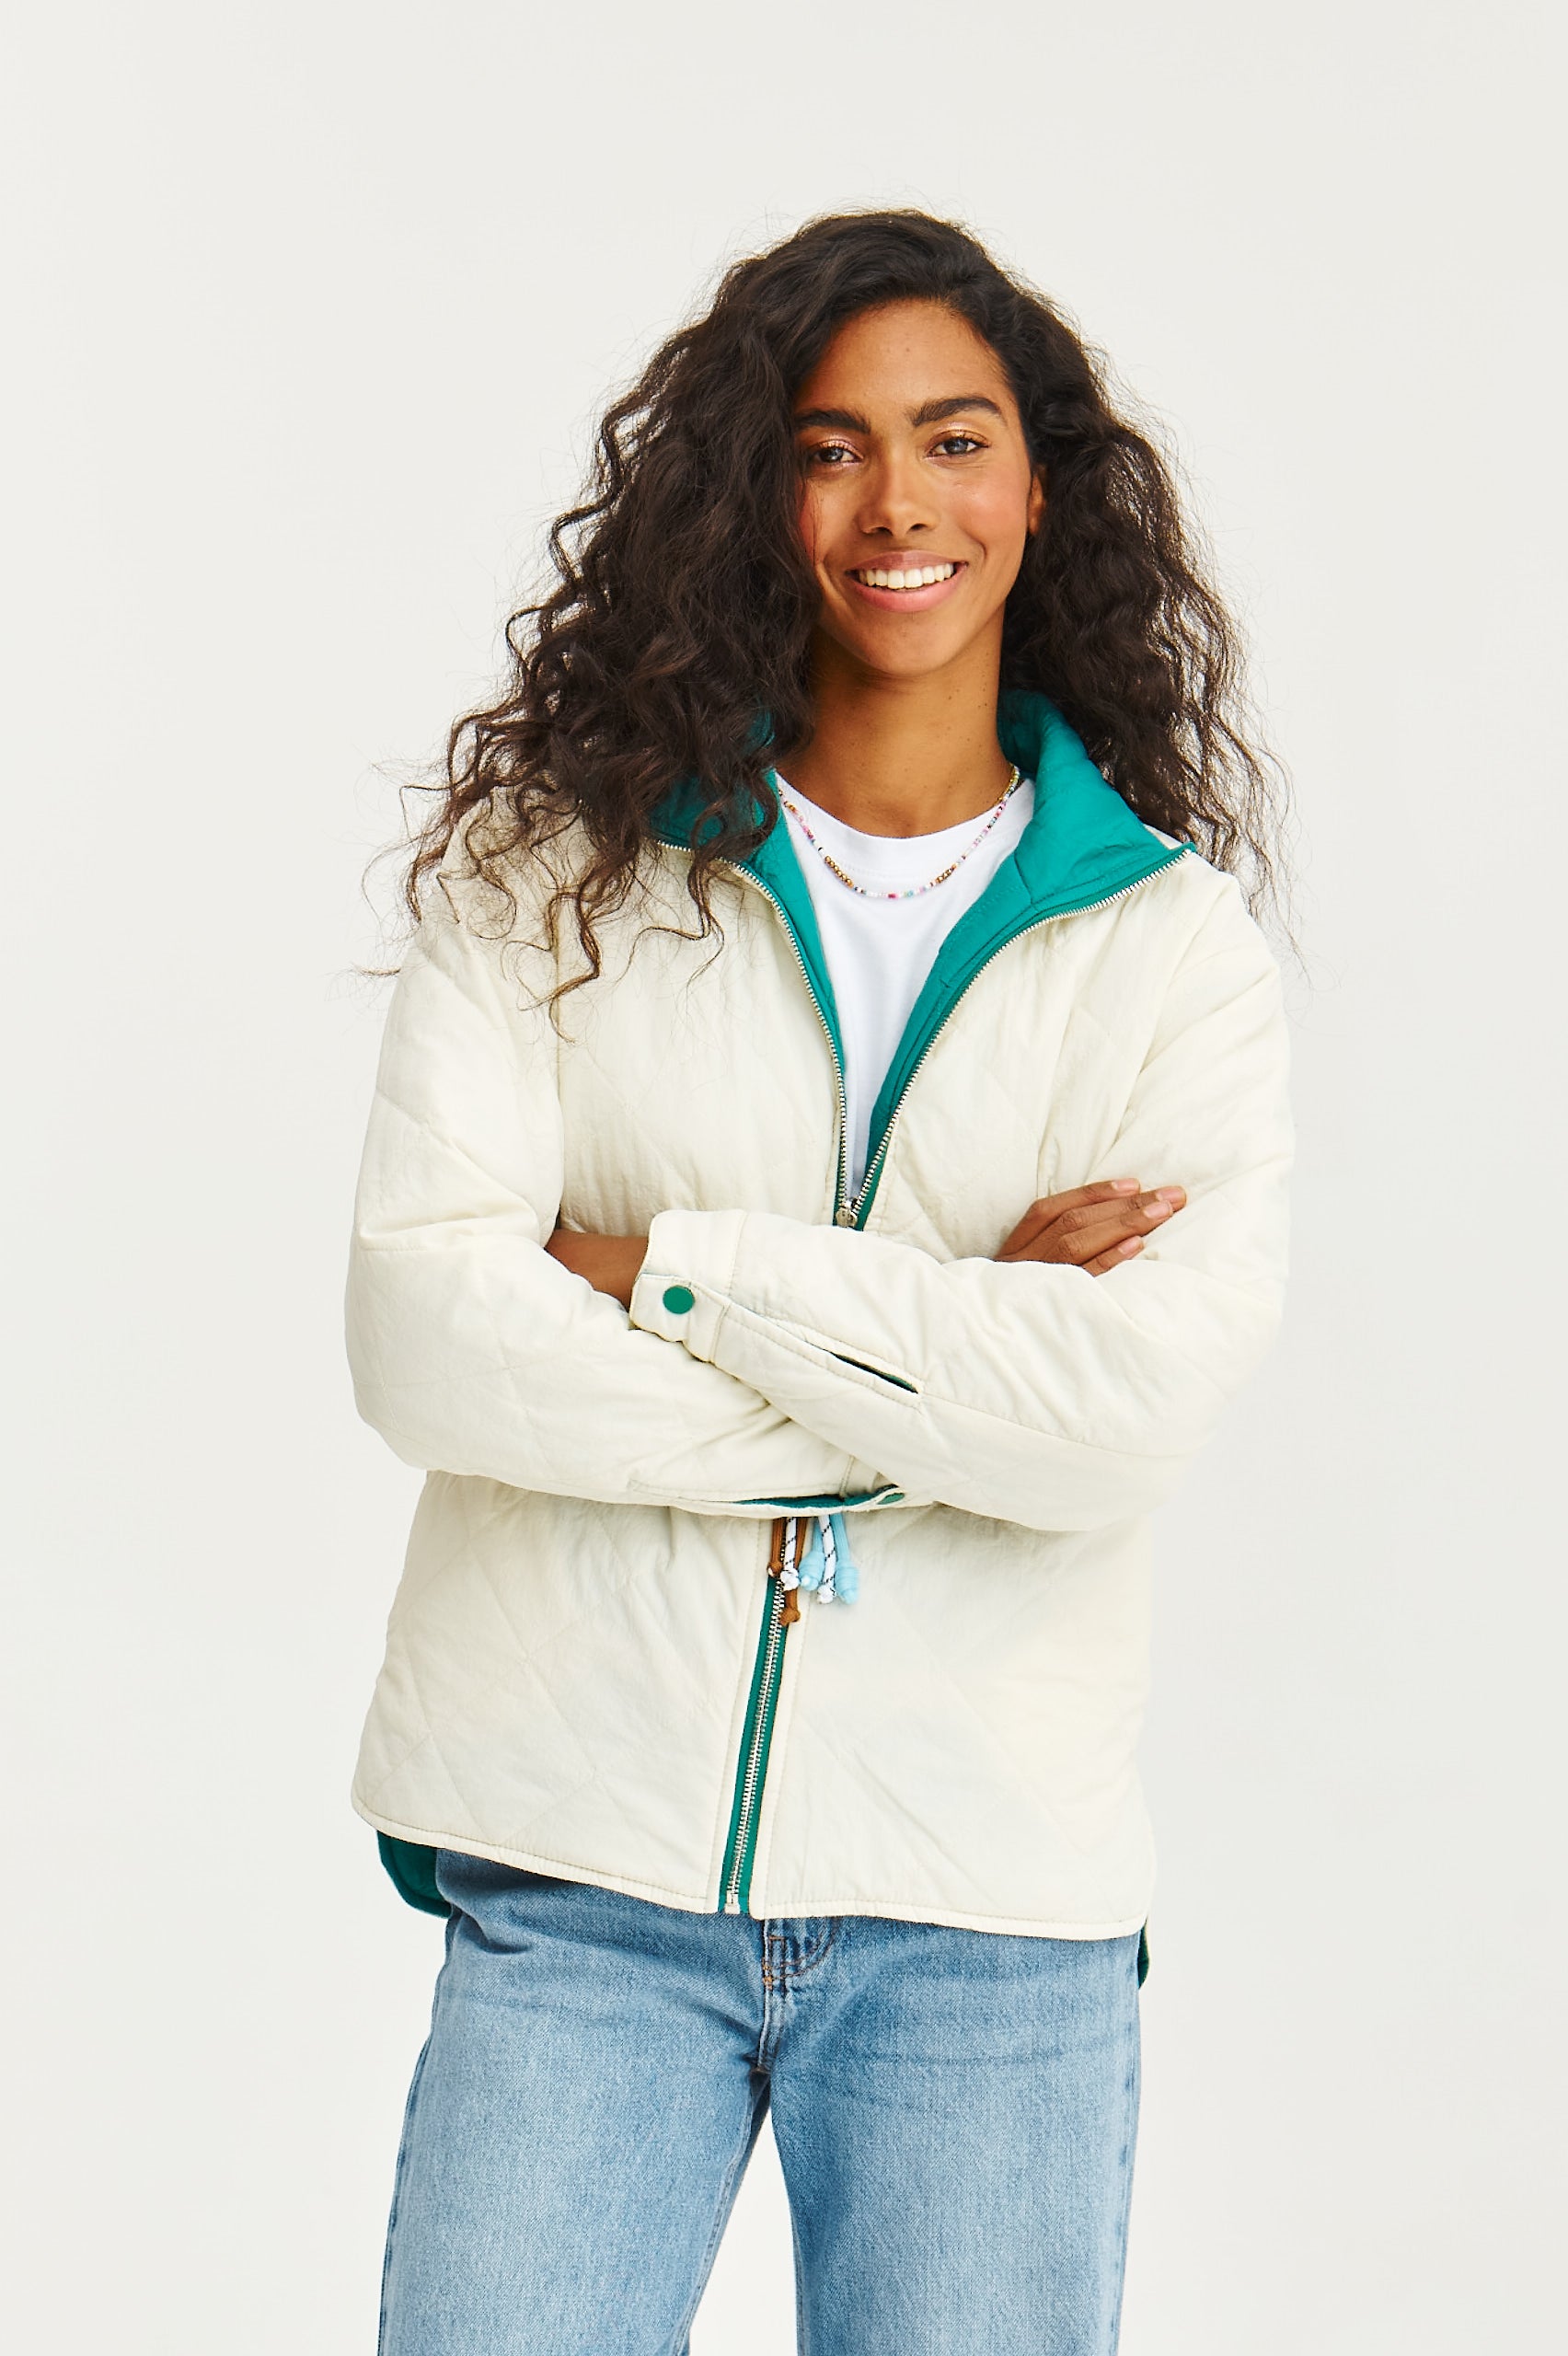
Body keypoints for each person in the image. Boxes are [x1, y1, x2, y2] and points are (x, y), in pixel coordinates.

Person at [346, 208, 1293, 2356]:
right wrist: (952, 1346)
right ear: (748, 493)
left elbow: (1120, 1417)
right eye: (828, 445)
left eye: (954, 441)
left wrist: (669, 1273)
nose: (897, 506)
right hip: (583, 1861)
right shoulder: (551, 873)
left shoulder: (1168, 951)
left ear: (1038, 490)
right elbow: (430, 1336)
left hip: (985, 1897)